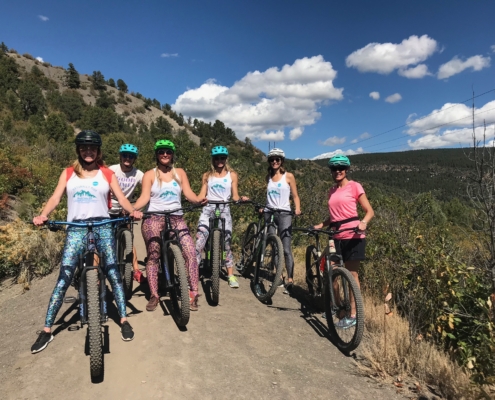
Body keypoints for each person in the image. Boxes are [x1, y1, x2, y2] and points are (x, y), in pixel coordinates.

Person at [31, 130, 143, 354]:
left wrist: (133, 211)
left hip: (102, 227)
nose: (88, 151)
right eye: (84, 148)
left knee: (112, 272)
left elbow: (121, 198)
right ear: (78, 150)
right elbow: (55, 197)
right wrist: (43, 214)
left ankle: (123, 319)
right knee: (64, 277)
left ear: (98, 151)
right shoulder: (69, 173)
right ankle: (46, 330)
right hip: (76, 229)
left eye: (92, 148)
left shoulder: (106, 173)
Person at [133, 139, 206, 312]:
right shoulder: (150, 175)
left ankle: (193, 293)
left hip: (176, 218)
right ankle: (154, 295)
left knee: (190, 251)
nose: (165, 154)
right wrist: (133, 209)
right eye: (161, 152)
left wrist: (198, 200)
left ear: (172, 154)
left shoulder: (179, 172)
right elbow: (144, 197)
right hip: (154, 218)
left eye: (168, 152)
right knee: (153, 255)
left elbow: (188, 193)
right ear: (157, 155)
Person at [312, 154, 374, 327]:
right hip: (336, 236)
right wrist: (321, 224)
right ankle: (336, 306)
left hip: (354, 235)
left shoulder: (354, 186)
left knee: (352, 276)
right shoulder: (331, 191)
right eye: (334, 169)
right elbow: (333, 217)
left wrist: (363, 222)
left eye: (341, 168)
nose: (337, 171)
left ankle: (353, 315)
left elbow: (369, 211)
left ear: (346, 170)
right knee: (331, 273)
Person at [195, 146, 248, 289]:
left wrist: (240, 199)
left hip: (225, 209)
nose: (220, 160)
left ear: (226, 159)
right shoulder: (207, 175)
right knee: (199, 241)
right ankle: (192, 274)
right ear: (213, 159)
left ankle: (230, 274)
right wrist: (194, 199)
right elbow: (201, 195)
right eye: (217, 158)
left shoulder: (232, 175)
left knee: (226, 243)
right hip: (208, 209)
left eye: (222, 158)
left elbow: (235, 195)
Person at [265, 148, 301, 294]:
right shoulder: (267, 177)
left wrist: (297, 208)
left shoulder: (289, 176)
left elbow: (295, 196)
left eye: (277, 159)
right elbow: (268, 196)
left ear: (282, 161)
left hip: (285, 213)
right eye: (272, 159)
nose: (274, 161)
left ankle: (290, 279)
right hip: (270, 213)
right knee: (274, 245)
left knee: (286, 248)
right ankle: (278, 276)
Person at [109, 143, 145, 283]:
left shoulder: (138, 174)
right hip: (108, 209)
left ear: (134, 158)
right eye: (125, 155)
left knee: (128, 238)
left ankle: (136, 270)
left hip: (125, 209)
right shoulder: (112, 169)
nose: (127, 158)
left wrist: (136, 208)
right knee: (103, 240)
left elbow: (148, 189)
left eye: (131, 156)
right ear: (120, 156)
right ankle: (98, 271)